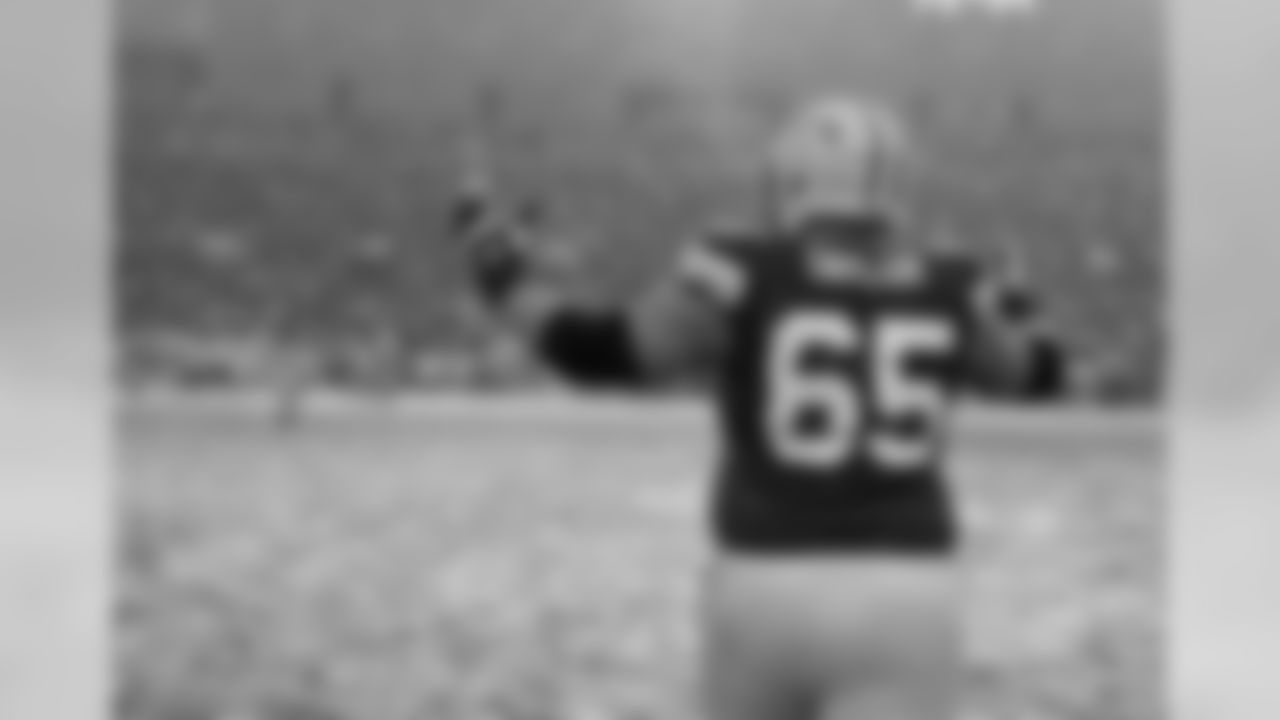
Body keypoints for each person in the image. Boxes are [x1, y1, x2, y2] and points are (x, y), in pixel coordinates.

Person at [453, 96, 1037, 720]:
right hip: (909, 592)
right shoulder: (952, 285)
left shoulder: (741, 270)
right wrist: (1020, 309)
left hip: (763, 580)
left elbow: (606, 354)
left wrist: (505, 283)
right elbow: (1033, 373)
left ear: (793, 180)